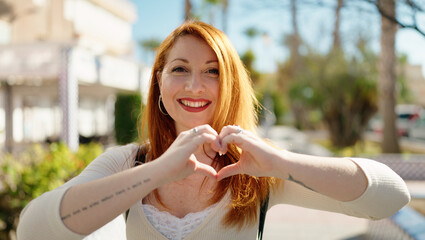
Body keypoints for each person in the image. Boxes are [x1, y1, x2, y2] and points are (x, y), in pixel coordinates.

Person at [17, 21, 410, 240]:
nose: (194, 86)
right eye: (180, 69)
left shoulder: (258, 167)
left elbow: (391, 197)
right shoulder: (128, 162)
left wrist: (283, 162)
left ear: (231, 86)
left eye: (212, 72)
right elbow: (35, 230)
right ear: (158, 84)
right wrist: (157, 171)